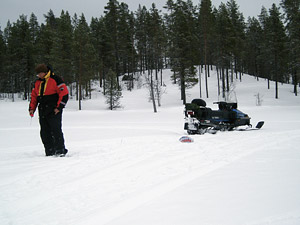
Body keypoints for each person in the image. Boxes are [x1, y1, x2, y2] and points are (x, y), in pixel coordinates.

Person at [29, 64, 69, 156]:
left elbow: (64, 94)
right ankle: (49, 151)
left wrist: (59, 107)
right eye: (37, 74)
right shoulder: (37, 82)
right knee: (44, 132)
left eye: (39, 74)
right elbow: (34, 97)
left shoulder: (56, 79)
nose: (38, 76)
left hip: (54, 109)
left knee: (56, 130)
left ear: (44, 72)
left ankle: (60, 150)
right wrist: (32, 109)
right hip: (42, 108)